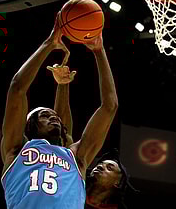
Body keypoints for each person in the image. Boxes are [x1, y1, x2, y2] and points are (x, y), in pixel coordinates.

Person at [0, 13, 119, 209]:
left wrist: (99, 51)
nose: (53, 117)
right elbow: (17, 88)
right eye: (45, 115)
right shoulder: (16, 149)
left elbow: (110, 106)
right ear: (30, 125)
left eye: (54, 115)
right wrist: (49, 43)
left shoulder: (77, 158)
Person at [47, 65, 138, 209]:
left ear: (118, 182)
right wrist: (63, 85)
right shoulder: (75, 180)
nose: (101, 166)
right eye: (102, 164)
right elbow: (63, 133)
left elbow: (111, 106)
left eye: (109, 168)